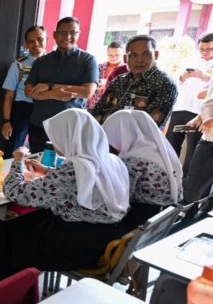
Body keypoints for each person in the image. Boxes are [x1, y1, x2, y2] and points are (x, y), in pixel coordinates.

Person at [0, 109, 129, 276]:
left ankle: (12, 285)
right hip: (105, 236)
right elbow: (80, 182)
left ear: (71, 137)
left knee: (9, 228)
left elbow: (14, 192)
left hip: (78, 246)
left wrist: (18, 160)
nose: (55, 143)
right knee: (33, 218)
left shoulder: (74, 170)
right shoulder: (110, 160)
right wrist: (48, 171)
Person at [24, 16, 99, 152]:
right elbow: (29, 92)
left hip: (70, 128)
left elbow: (87, 92)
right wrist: (56, 94)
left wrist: (49, 86)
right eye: (63, 32)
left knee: (65, 168)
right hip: (40, 126)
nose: (68, 36)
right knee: (35, 166)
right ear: (55, 34)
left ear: (78, 34)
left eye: (73, 32)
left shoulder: (88, 60)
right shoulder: (41, 62)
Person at [103, 110, 182, 231]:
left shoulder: (135, 159)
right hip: (164, 217)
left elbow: (120, 198)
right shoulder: (160, 151)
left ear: (124, 133)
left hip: (141, 221)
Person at [91, 35, 178, 127]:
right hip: (105, 137)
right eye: (133, 55)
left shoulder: (165, 83)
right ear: (125, 59)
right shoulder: (119, 81)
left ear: (156, 55)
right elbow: (100, 111)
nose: (139, 60)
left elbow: (149, 126)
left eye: (146, 54)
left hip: (139, 140)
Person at [164, 33, 213, 178]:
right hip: (180, 110)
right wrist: (183, 76)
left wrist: (205, 77)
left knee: (192, 149)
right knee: (171, 143)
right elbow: (176, 79)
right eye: (202, 49)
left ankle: (186, 183)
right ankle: (167, 176)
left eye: (209, 49)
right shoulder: (191, 59)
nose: (204, 52)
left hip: (197, 114)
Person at [0, 25, 47, 155]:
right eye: (31, 41)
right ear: (26, 44)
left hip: (45, 110)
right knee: (14, 150)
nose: (36, 44)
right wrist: (6, 121)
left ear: (47, 39)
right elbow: (9, 95)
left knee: (41, 151)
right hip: (23, 110)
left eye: (40, 39)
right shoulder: (18, 65)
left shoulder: (54, 64)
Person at [183, 93, 213, 203]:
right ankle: (187, 217)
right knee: (192, 187)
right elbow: (209, 102)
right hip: (208, 140)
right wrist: (198, 118)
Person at [87, 40, 125, 110]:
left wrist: (107, 83)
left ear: (123, 54)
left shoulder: (125, 70)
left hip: (113, 107)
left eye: (117, 55)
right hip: (93, 105)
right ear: (107, 53)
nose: (113, 58)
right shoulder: (99, 67)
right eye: (110, 55)